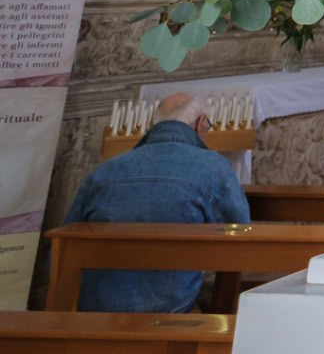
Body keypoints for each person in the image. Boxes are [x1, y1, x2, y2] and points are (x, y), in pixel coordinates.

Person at [62, 93, 249, 311]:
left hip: (96, 310)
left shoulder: (105, 170)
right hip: (169, 310)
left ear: (152, 125)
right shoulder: (214, 167)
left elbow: (68, 237)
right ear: (200, 124)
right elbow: (239, 238)